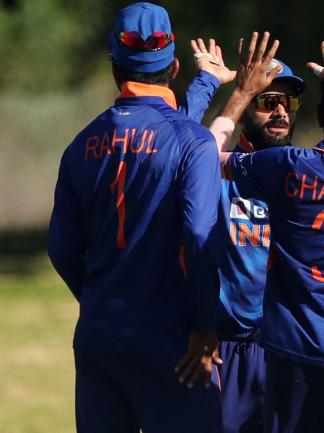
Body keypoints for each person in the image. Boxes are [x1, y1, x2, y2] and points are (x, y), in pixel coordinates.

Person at [182, 33, 324, 433]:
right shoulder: (226, 173)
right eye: (268, 101)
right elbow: (184, 156)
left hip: (289, 346)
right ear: (246, 104)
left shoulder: (294, 168)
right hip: (231, 345)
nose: (281, 112)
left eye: (289, 103)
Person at [47, 3, 222, 432]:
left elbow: (61, 248)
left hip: (98, 340)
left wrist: (99, 299)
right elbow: (199, 234)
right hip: (172, 345)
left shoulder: (79, 145)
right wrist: (204, 325)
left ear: (114, 69)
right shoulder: (193, 143)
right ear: (175, 66)